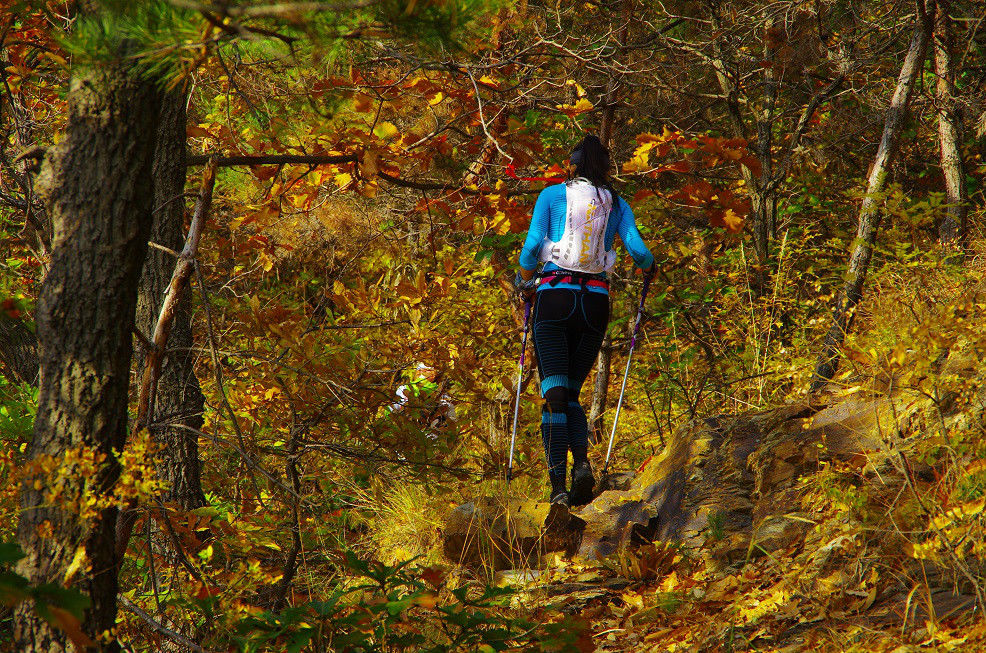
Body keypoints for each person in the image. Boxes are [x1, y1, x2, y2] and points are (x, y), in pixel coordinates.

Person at [513, 134, 654, 520]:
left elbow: (529, 250)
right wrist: (650, 268)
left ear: (572, 165)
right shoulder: (618, 203)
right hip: (594, 304)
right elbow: (639, 251)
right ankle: (582, 466)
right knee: (572, 393)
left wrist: (523, 279)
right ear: (604, 167)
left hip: (555, 298)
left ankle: (558, 488)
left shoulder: (552, 195)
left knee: (555, 395)